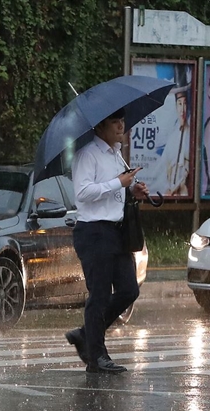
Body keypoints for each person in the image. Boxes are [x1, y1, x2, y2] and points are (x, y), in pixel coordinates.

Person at [65, 108, 150, 374]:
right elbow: (83, 193)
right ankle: (96, 357)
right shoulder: (88, 154)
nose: (121, 127)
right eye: (115, 122)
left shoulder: (116, 155)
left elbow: (117, 192)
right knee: (99, 295)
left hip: (117, 231)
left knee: (129, 290)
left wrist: (132, 191)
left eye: (123, 121)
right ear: (100, 126)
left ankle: (85, 335)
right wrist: (117, 183)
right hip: (93, 232)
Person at [158, 88, 191, 196]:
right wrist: (168, 189)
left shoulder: (192, 135)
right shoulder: (172, 136)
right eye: (179, 104)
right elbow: (163, 167)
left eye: (185, 104)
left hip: (185, 190)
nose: (182, 110)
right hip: (171, 191)